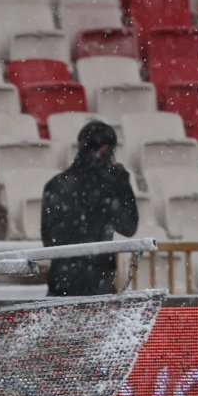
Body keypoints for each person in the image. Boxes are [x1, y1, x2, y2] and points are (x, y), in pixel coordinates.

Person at [41, 120, 139, 296]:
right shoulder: (108, 187)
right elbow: (129, 226)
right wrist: (123, 184)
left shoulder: (54, 185)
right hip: (97, 287)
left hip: (60, 286)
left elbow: (48, 241)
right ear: (105, 150)